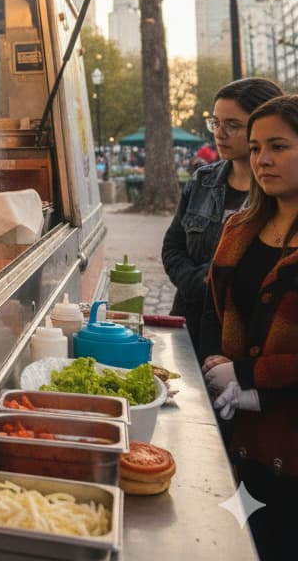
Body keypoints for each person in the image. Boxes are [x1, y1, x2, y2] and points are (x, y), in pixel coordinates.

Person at [200, 94, 298, 561]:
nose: (262, 159)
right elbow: (225, 312)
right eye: (257, 147)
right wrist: (223, 362)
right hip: (246, 445)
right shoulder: (241, 226)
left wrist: (250, 378)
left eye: (278, 146)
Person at [162, 77, 283, 350]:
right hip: (188, 325)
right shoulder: (202, 180)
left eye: (232, 125)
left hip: (242, 342)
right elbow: (172, 247)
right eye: (216, 123)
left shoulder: (280, 192)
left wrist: (217, 284)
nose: (220, 133)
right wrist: (200, 284)